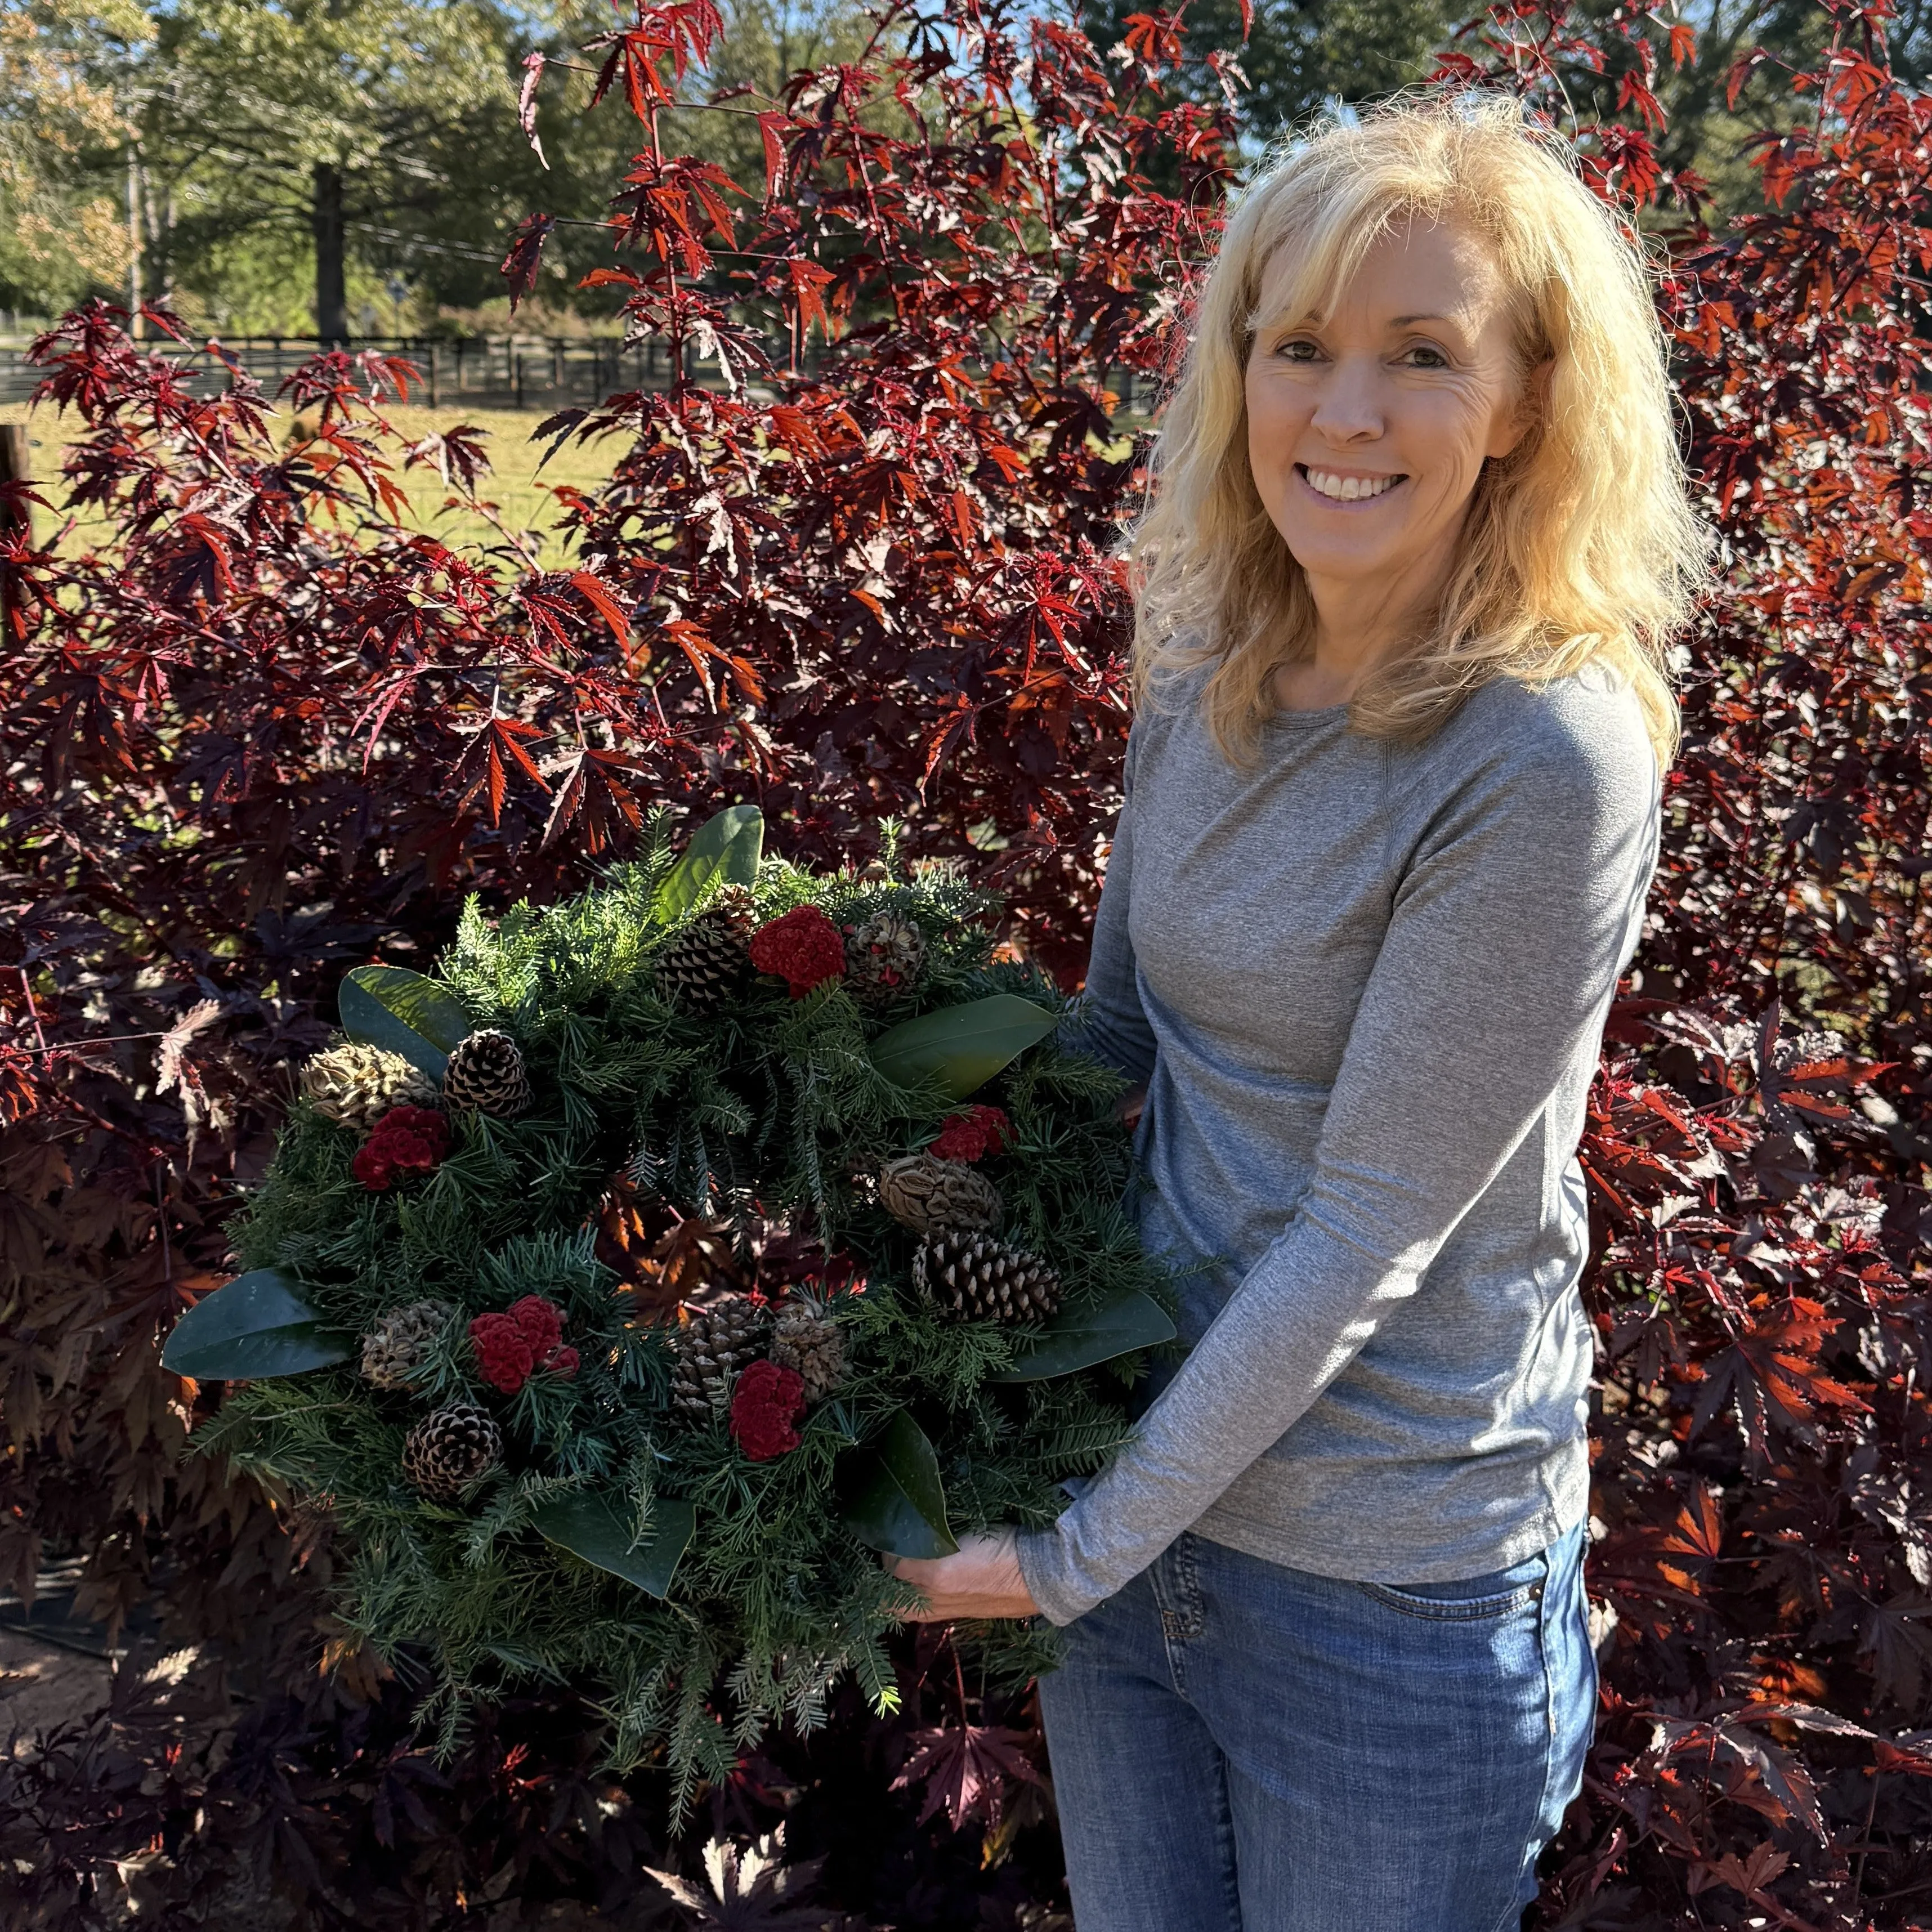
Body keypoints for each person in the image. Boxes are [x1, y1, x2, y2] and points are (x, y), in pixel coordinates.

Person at [888, 91, 1709, 1932]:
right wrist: (838, 1136)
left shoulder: (1541, 751)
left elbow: (1367, 1229)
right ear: (1238, 372)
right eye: (1300, 346)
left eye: (1422, 355)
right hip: (1132, 1489)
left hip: (1382, 1593)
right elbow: (1113, 1043)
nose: (1344, 410)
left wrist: (1076, 1552)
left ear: (1521, 408)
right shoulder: (1214, 667)